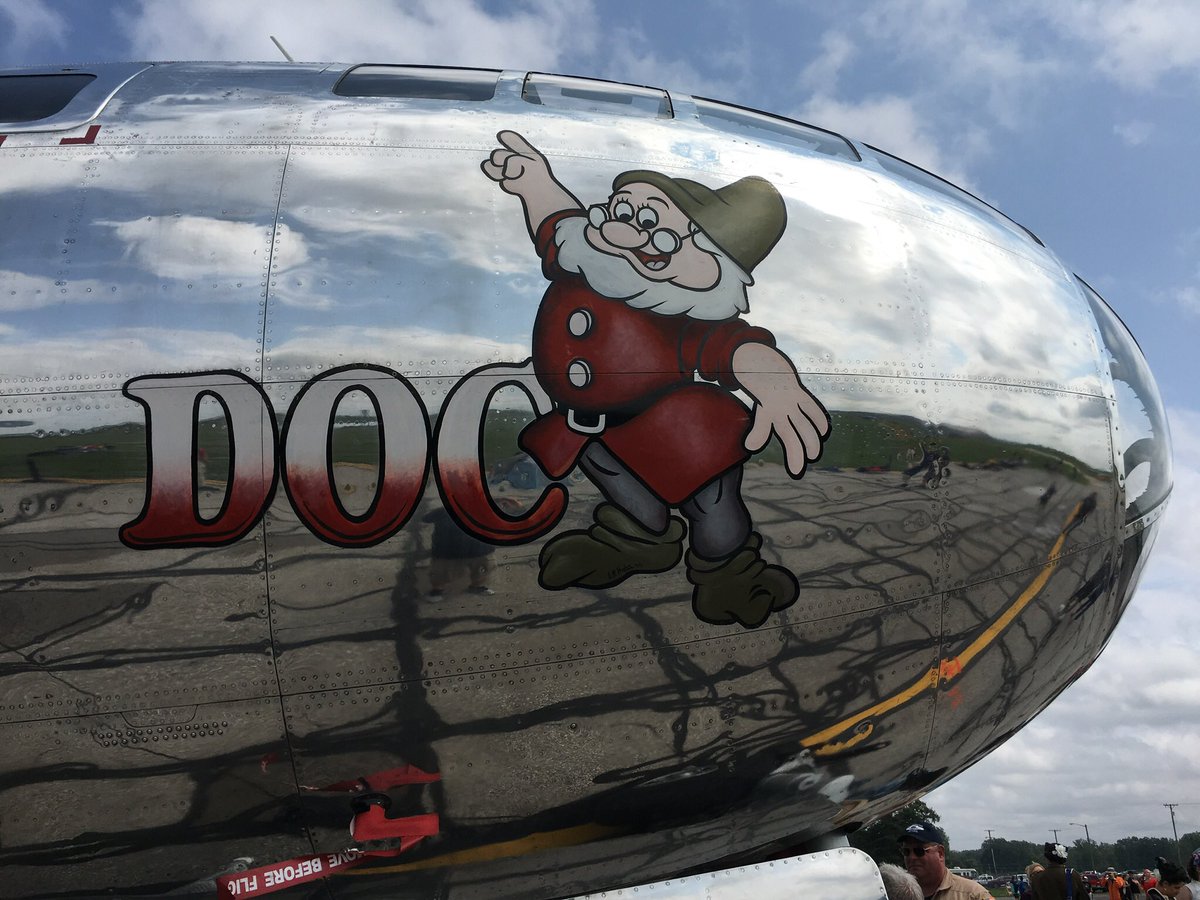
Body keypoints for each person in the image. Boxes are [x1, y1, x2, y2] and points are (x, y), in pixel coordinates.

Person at [483, 130, 830, 629]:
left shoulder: (681, 312)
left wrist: (775, 383)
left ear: (707, 266)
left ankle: (730, 574)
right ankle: (638, 542)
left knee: (712, 506)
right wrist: (535, 179)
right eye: (620, 209)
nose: (622, 227)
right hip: (592, 426)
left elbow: (732, 347)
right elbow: (558, 222)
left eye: (649, 223)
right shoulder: (585, 259)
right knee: (620, 485)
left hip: (679, 430)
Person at [897, 821, 990, 899]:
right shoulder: (895, 894)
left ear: (940, 853)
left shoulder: (974, 894)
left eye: (919, 851)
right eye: (906, 851)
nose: (912, 857)